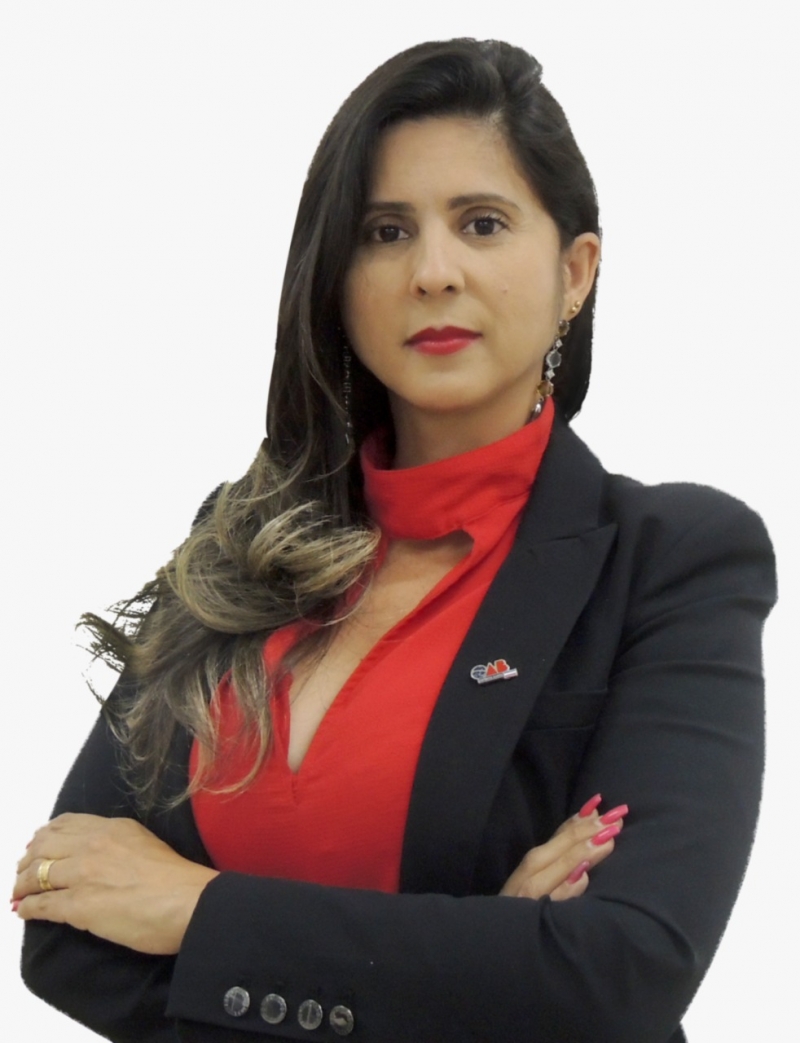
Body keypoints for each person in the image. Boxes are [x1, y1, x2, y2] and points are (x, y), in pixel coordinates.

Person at [14, 37, 775, 1043]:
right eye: (384, 231)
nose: (431, 271)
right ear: (336, 277)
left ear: (574, 271)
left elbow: (621, 971)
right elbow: (64, 923)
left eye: (482, 223)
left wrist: (199, 909)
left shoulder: (672, 560)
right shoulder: (236, 544)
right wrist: (479, 957)